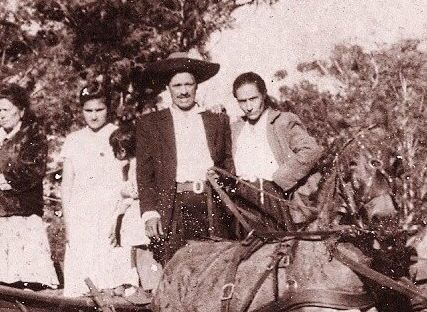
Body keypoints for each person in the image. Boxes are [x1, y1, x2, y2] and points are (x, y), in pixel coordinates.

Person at [135, 52, 235, 262]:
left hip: (211, 203)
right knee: (174, 267)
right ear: (168, 88)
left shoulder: (216, 120)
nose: (183, 91)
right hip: (173, 207)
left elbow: (227, 163)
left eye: (188, 84)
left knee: (216, 265)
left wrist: (224, 182)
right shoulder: (150, 124)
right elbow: (145, 174)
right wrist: (150, 213)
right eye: (177, 86)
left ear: (196, 85)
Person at [0, 85, 60, 288]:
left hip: (20, 215)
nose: (1, 115)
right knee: (3, 279)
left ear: (21, 110)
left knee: (25, 277)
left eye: (6, 109)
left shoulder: (31, 136)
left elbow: (32, 172)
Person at [57, 84, 138, 296]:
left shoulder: (118, 135)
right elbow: (67, 184)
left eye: (99, 110)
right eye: (88, 110)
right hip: (82, 215)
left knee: (111, 272)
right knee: (82, 276)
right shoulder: (74, 140)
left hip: (110, 212)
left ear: (108, 109)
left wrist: (123, 209)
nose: (94, 116)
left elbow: (130, 175)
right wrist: (68, 221)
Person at [231, 72, 325, 230]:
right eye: (242, 101)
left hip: (274, 199)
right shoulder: (235, 128)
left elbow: (311, 150)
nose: (248, 106)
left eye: (253, 99)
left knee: (278, 249)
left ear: (264, 94)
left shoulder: (283, 121)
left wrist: (279, 179)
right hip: (242, 202)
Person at [109, 123, 161, 290]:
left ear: (122, 150)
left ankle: (150, 285)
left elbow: (136, 190)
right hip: (134, 213)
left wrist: (122, 191)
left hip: (139, 212)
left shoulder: (137, 165)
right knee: (135, 250)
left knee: (143, 249)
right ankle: (140, 284)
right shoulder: (131, 165)